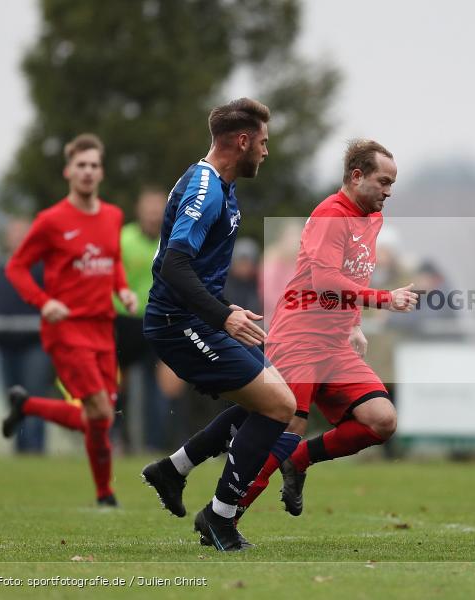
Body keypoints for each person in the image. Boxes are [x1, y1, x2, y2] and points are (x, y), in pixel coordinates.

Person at [146, 139, 418, 524]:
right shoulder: (331, 215)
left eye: (392, 183)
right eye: (383, 181)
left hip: (335, 341)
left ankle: (293, 461)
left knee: (381, 420)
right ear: (357, 177)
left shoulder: (372, 218)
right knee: (282, 421)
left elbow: (353, 270)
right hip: (301, 335)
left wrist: (354, 322)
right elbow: (325, 279)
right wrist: (384, 299)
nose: (389, 191)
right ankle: (224, 515)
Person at [140, 98, 297, 552]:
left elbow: (197, 268)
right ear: (243, 141)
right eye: (263, 142)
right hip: (177, 324)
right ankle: (219, 518)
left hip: (198, 318)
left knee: (270, 399)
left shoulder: (221, 185)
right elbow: (173, 264)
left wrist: (225, 308)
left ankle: (173, 470)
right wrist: (223, 314)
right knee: (277, 406)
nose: (266, 152)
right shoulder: (206, 189)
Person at [2, 134, 137, 506]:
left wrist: (123, 290)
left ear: (101, 171)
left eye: (94, 165)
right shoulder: (51, 221)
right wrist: (44, 302)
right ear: (68, 171)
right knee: (100, 411)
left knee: (100, 419)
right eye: (81, 165)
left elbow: (112, 262)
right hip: (67, 330)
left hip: (102, 328)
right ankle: (106, 496)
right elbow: (16, 268)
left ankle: (27, 407)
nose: (88, 171)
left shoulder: (113, 216)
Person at [113, 187, 174, 450]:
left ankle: (154, 445)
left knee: (160, 387)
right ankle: (117, 439)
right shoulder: (123, 239)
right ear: (139, 210)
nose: (153, 215)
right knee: (118, 385)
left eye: (157, 209)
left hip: (159, 321)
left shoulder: (173, 239)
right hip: (124, 322)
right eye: (148, 209)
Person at [0, 217, 51, 453]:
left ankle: (34, 449)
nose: (18, 238)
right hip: (5, 347)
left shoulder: (42, 269)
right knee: (14, 402)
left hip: (35, 345)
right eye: (14, 233)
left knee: (33, 397)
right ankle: (21, 450)